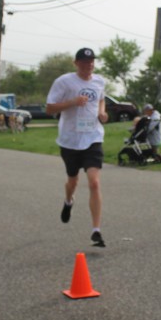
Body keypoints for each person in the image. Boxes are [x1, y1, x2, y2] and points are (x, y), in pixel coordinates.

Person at [45, 47, 109, 248]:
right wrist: (72, 102)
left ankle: (96, 230)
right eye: (84, 62)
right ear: (76, 63)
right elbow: (49, 108)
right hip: (70, 140)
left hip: (93, 137)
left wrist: (102, 112)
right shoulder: (64, 82)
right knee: (72, 181)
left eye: (91, 62)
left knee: (94, 182)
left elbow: (101, 98)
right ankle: (68, 201)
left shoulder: (99, 81)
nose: (88, 65)